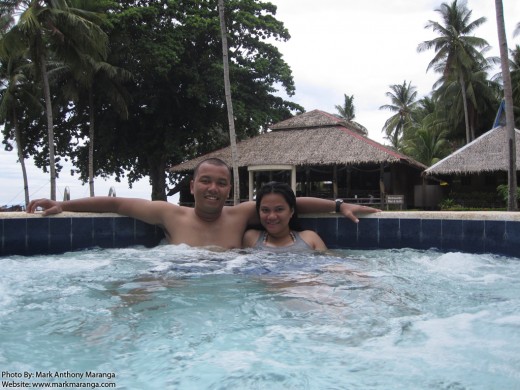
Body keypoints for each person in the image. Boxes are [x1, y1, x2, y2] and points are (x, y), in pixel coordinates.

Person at [27, 158, 380, 249]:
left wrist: (338, 205)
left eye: (222, 183)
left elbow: (289, 201)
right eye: (206, 181)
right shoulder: (170, 212)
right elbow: (118, 204)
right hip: (177, 277)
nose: (213, 188)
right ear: (193, 185)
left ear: (230, 189)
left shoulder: (241, 213)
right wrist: (63, 203)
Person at [242, 182, 327, 251]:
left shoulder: (310, 238)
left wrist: (337, 206)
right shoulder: (251, 238)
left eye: (279, 209)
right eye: (265, 210)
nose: (272, 216)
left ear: (291, 211)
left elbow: (330, 265)